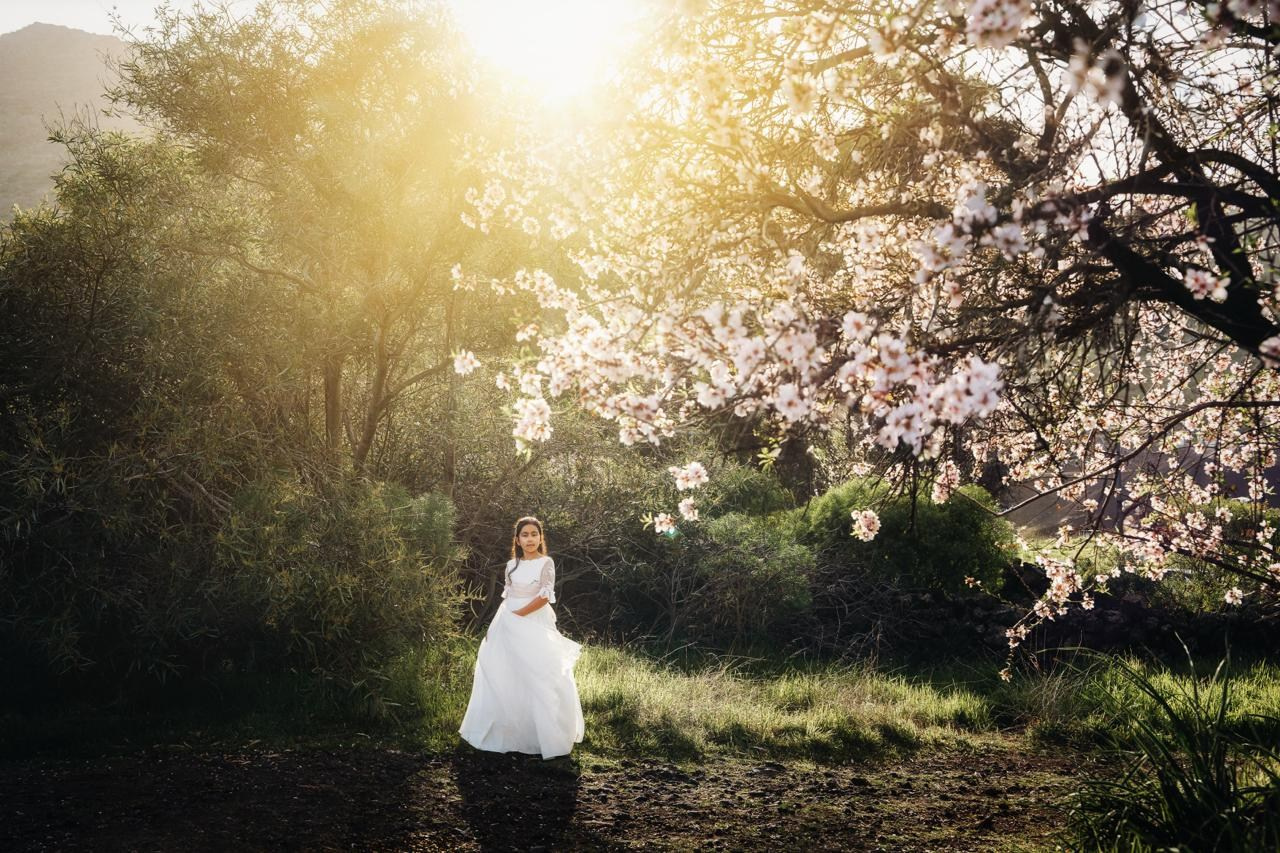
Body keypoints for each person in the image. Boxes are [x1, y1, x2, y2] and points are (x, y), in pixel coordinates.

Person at [459, 516, 585, 759]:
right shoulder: (511, 565)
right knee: (506, 671)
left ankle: (543, 735)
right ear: (517, 540)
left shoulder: (546, 562)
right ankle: (509, 731)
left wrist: (518, 615)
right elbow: (507, 597)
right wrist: (496, 626)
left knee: (538, 673)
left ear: (541, 537)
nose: (530, 539)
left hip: (533, 620)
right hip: (508, 620)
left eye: (534, 534)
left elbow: (544, 597)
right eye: (525, 535)